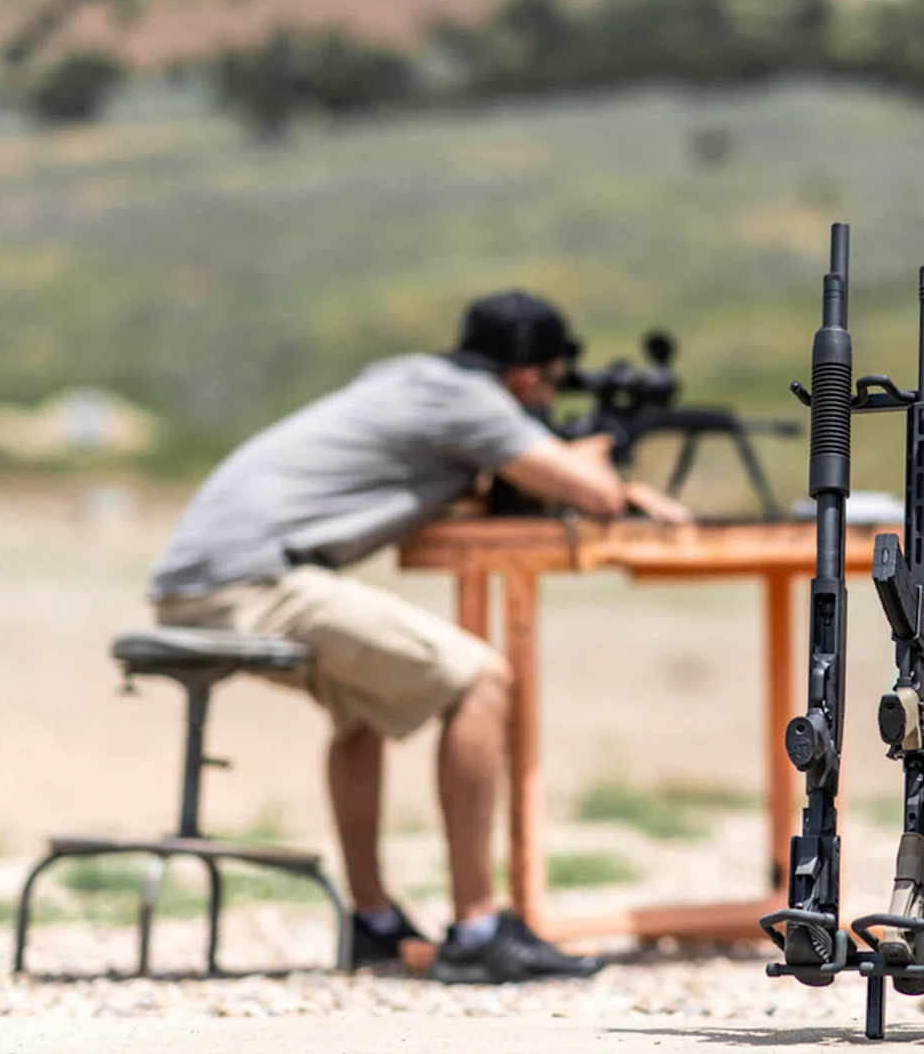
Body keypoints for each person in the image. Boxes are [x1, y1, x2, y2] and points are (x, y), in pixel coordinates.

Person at [148, 291, 690, 983]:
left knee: (361, 709)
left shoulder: (413, 378)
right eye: (552, 382)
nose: (549, 396)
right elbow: (593, 495)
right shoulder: (473, 401)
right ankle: (477, 928)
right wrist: (604, 466)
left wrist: (558, 459)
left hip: (197, 584)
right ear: (526, 378)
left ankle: (373, 922)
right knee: (481, 679)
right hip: (249, 583)